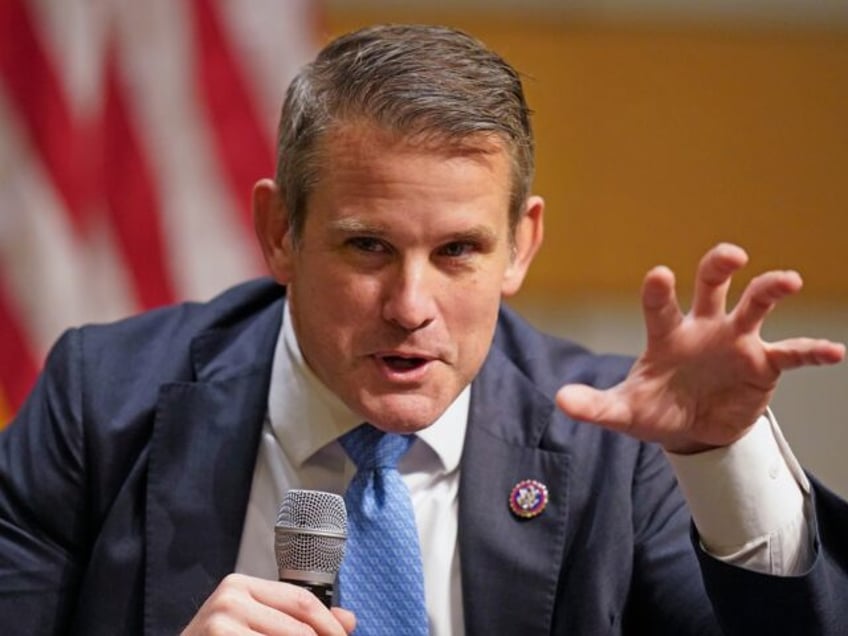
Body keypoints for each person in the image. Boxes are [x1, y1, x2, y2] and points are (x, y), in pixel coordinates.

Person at [1, 23, 847, 636]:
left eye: (458, 251)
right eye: (368, 246)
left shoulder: (614, 450)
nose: (411, 305)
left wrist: (718, 457)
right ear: (281, 233)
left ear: (520, 246)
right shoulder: (100, 401)